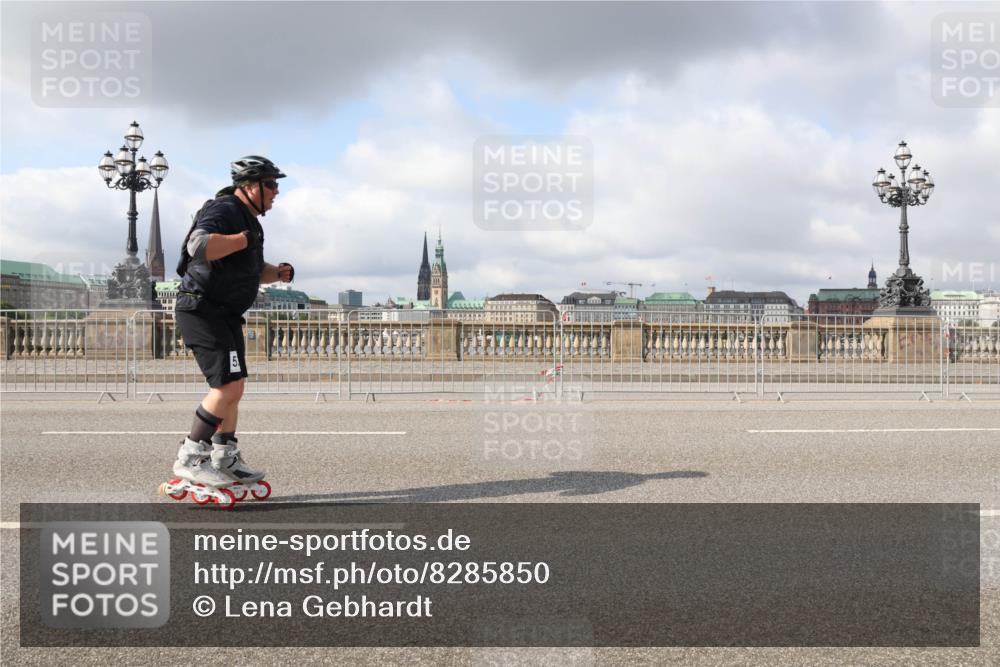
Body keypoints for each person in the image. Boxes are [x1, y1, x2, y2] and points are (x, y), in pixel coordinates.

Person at [160, 156, 294, 507]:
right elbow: (199, 246)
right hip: (202, 308)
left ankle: (224, 455)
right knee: (226, 387)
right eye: (271, 184)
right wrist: (239, 240)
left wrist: (277, 273)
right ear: (250, 187)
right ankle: (190, 457)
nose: (276, 191)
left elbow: (251, 269)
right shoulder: (224, 208)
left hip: (226, 313)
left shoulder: (251, 223)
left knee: (236, 387)